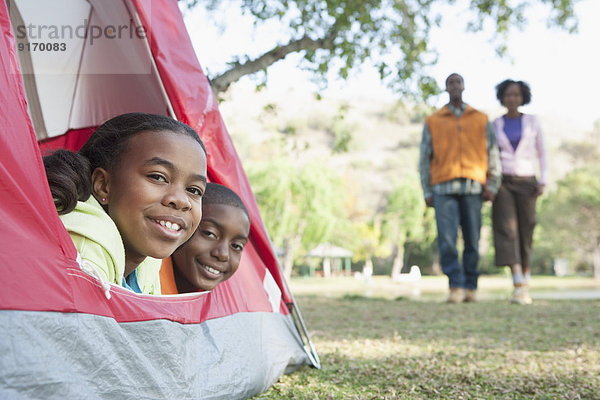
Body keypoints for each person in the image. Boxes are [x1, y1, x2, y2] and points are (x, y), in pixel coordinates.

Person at [43, 112, 207, 294]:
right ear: (103, 185)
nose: (181, 201)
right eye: (158, 177)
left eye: (194, 190)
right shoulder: (83, 248)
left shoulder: (148, 261)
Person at [419, 73, 502, 303]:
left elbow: (493, 153)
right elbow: (424, 158)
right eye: (450, 83)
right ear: (446, 88)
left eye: (458, 82)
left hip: (473, 188)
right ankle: (454, 285)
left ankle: (471, 286)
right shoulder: (433, 120)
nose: (454, 86)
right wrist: (427, 190)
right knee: (446, 239)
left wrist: (492, 184)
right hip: (443, 189)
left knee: (473, 240)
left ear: (463, 86)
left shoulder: (480, 119)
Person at [492, 79, 547, 305]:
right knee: (507, 230)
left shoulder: (533, 122)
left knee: (527, 230)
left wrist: (543, 180)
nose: (512, 98)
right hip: (503, 182)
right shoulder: (495, 124)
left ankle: (525, 278)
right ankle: (517, 281)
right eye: (508, 94)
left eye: (516, 95)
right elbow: (491, 154)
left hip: (527, 182)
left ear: (523, 97)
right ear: (502, 98)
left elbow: (542, 153)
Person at [159, 183, 251, 294]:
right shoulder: (142, 283)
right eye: (210, 233)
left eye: (236, 246)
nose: (223, 254)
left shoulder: (222, 305)